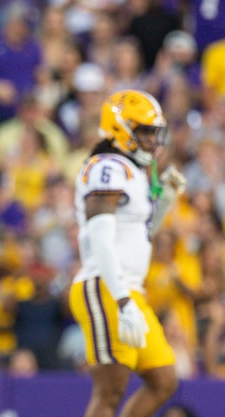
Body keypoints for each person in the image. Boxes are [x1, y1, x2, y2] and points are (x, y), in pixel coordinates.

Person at [70, 89, 186, 417]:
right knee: (110, 391)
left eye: (154, 131)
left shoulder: (134, 170)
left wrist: (164, 200)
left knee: (164, 380)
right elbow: (101, 239)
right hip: (106, 285)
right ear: (121, 128)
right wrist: (122, 299)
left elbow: (142, 232)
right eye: (145, 130)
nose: (153, 139)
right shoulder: (107, 167)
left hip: (130, 289)